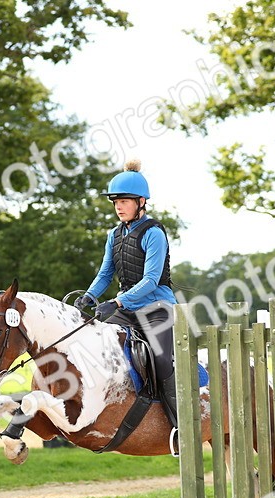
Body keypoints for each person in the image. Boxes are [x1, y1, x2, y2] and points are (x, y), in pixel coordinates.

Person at [75, 159, 179, 441]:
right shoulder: (114, 234)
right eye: (115, 201)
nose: (118, 206)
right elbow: (105, 272)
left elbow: (151, 280)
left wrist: (118, 302)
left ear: (141, 201)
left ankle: (181, 424)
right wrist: (88, 296)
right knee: (98, 342)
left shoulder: (154, 233)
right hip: (128, 309)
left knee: (159, 360)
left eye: (124, 201)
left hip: (158, 308)